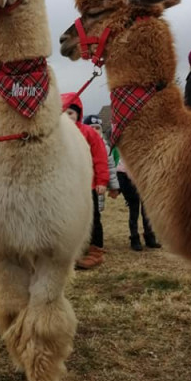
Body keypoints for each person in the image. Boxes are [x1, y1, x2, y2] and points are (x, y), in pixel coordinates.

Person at [61, 94, 110, 269]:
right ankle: (74, 250)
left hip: (88, 185)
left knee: (93, 218)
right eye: (63, 114)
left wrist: (102, 181)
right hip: (66, 187)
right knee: (70, 219)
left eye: (70, 113)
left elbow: (100, 158)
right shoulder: (57, 136)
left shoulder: (88, 132)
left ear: (78, 114)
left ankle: (96, 250)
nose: (67, 118)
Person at [116, 156, 161, 252]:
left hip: (142, 178)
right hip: (127, 178)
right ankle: (134, 238)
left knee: (146, 211)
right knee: (134, 209)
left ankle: (149, 237)